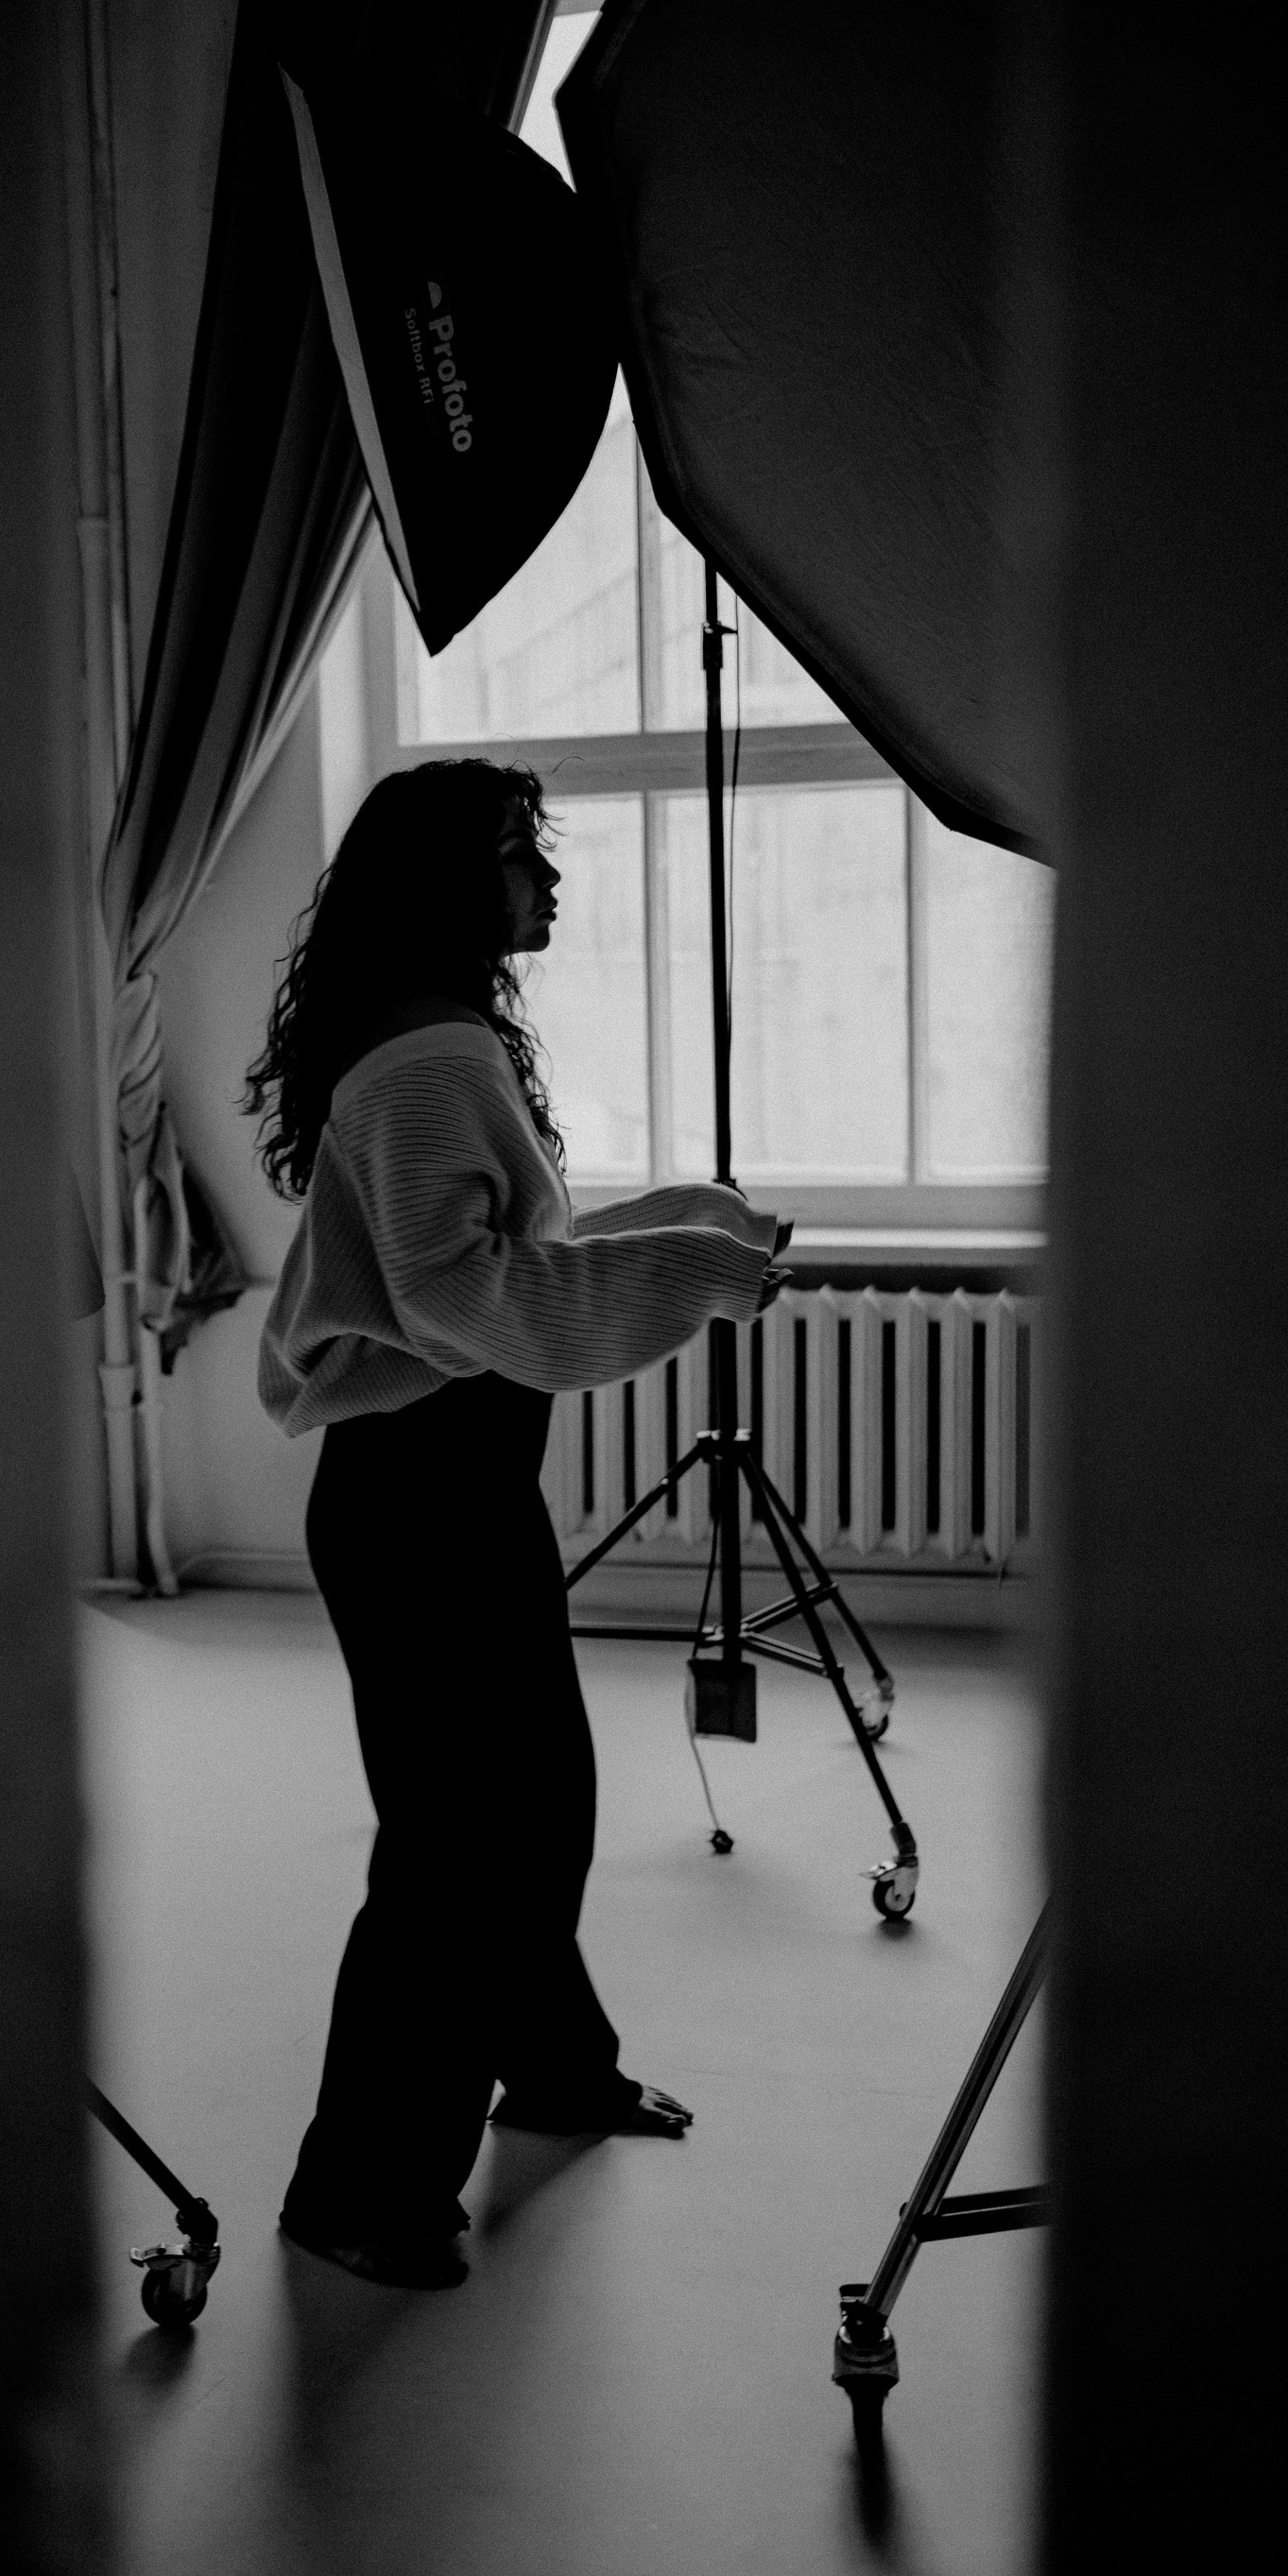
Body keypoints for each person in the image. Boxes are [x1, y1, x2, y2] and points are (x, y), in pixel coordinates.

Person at [245, 758, 786, 2290]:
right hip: (419, 1498)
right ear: (445, 887)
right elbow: (465, 1302)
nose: (545, 881)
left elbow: (500, 1256)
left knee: (531, 1804)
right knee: (455, 1844)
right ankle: (358, 2191)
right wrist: (699, 1273)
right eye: (515, 856)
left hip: (458, 1484)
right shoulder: (427, 1061)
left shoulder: (438, 1039)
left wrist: (690, 1225)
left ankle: (551, 2070)